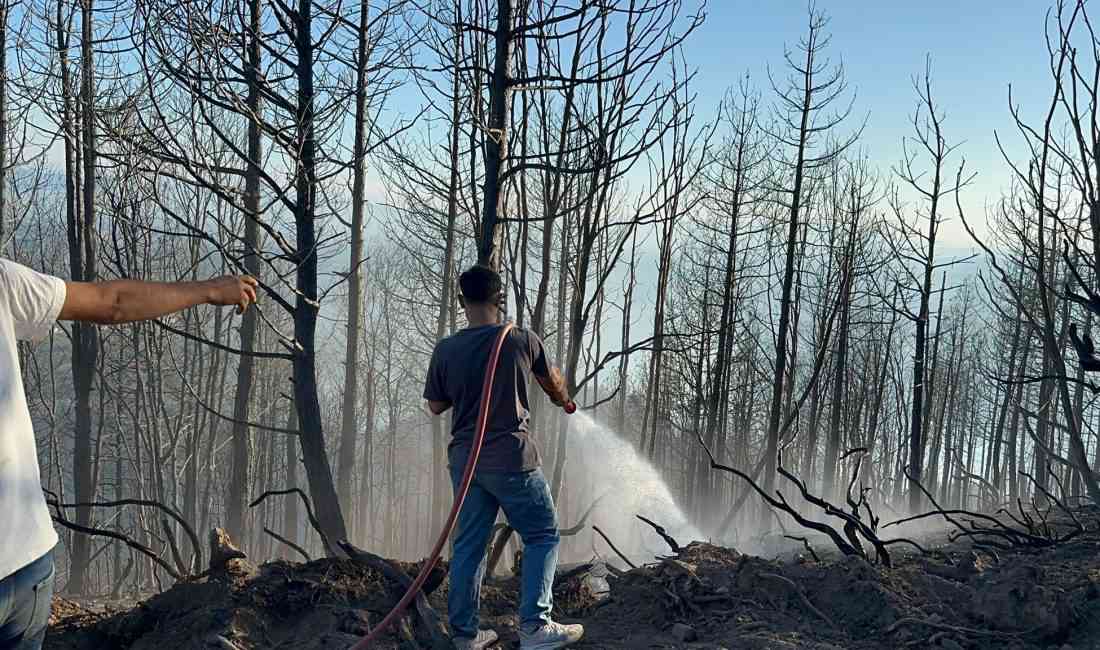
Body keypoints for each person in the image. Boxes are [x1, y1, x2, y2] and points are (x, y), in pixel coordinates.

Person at [0, 257, 258, 650]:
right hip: (26, 560)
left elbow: (113, 301)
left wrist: (208, 290)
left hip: (26, 566)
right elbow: (112, 301)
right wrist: (208, 289)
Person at [423, 264, 584, 650]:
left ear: (462, 301)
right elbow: (554, 384)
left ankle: (464, 637)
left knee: (469, 546)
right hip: (512, 459)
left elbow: (435, 405)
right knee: (543, 534)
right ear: (499, 299)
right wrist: (565, 400)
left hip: (466, 463)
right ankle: (535, 627)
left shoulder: (447, 349)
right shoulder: (521, 340)